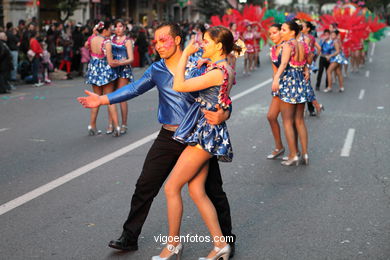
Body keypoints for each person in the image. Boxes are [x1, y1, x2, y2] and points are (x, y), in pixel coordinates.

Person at [77, 22, 236, 258]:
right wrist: (102, 100)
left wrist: (224, 113)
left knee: (213, 191)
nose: (158, 45)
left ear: (178, 40)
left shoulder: (201, 64)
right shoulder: (157, 69)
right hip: (169, 135)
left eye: (164, 40)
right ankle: (129, 237)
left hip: (197, 137)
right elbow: (134, 88)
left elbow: (221, 94)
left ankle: (227, 242)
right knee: (145, 186)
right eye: (156, 41)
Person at [152, 25, 239, 260]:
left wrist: (187, 55)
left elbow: (178, 85)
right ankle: (220, 244)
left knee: (172, 187)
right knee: (196, 190)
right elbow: (224, 98)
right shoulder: (220, 67)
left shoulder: (216, 72)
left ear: (219, 46)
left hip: (205, 135)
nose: (203, 46)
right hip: (206, 130)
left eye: (207, 42)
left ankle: (172, 245)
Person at [272, 21, 311, 166]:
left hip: (288, 82)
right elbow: (307, 62)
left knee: (287, 121)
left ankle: (294, 154)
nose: (281, 32)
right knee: (300, 121)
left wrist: (276, 78)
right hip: (301, 83)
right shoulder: (303, 45)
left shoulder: (288, 45)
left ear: (292, 32)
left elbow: (283, 64)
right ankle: (305, 153)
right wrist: (306, 70)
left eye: (283, 29)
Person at [85, 21, 119, 136]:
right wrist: (118, 63)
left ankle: (92, 125)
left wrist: (94, 33)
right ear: (104, 30)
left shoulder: (91, 40)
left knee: (96, 99)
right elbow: (110, 61)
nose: (111, 31)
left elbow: (86, 46)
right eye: (110, 29)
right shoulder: (106, 42)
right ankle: (117, 126)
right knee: (110, 99)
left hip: (94, 71)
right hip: (105, 72)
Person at [106, 19, 134, 135]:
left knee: (121, 96)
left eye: (120, 26)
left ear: (124, 28)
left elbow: (131, 59)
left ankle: (124, 124)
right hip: (112, 69)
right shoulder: (110, 39)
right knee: (111, 97)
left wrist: (121, 63)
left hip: (123, 69)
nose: (118, 29)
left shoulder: (127, 41)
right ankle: (111, 123)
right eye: (116, 26)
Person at [266, 24, 285, 160]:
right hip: (278, 87)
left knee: (290, 120)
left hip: (291, 86)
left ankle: (295, 152)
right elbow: (274, 71)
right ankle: (279, 147)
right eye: (270, 33)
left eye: (275, 32)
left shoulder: (288, 47)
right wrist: (275, 82)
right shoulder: (273, 49)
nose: (272, 36)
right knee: (271, 116)